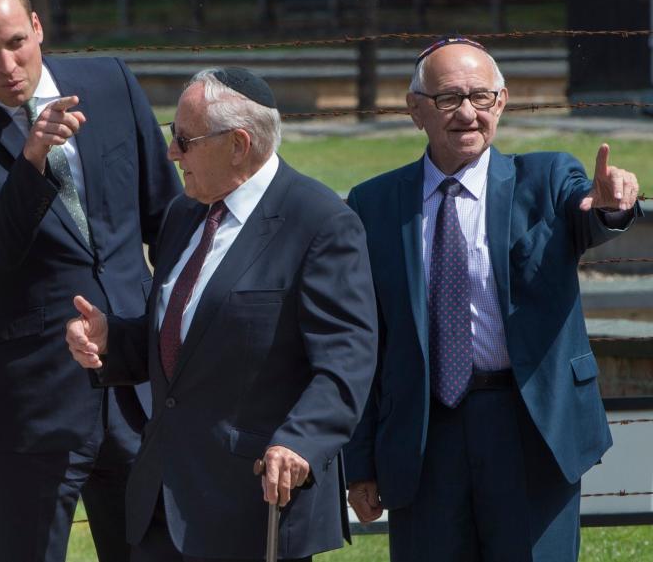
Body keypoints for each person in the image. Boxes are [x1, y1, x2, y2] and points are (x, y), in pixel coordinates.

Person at [0, 0, 182, 562]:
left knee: (157, 549)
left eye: (15, 42)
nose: (7, 63)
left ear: (37, 27)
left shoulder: (109, 83)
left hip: (138, 378)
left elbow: (169, 220)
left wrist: (169, 339)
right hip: (38, 393)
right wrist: (30, 160)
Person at [344, 36, 642, 562]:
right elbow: (368, 340)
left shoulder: (546, 178)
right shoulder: (375, 203)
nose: (466, 113)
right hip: (424, 438)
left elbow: (588, 215)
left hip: (530, 430)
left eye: (481, 98)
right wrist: (362, 460)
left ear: (500, 103)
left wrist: (612, 208)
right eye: (448, 99)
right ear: (416, 110)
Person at [65, 67, 378, 562]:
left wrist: (299, 442)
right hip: (162, 503)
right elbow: (187, 341)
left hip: (252, 503)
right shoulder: (183, 213)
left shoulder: (319, 222)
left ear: (238, 144)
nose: (171, 153)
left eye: (184, 140)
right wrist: (113, 342)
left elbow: (347, 362)